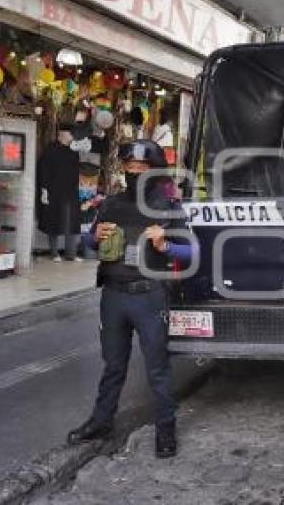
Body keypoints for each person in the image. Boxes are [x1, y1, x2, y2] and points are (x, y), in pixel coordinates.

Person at [66, 140, 195, 459]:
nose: (134, 173)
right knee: (112, 365)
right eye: (130, 168)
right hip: (112, 296)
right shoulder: (110, 204)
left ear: (154, 171)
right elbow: (90, 243)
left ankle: (166, 429)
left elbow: (193, 253)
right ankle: (101, 421)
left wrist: (166, 246)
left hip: (149, 297)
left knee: (157, 369)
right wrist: (92, 238)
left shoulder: (169, 207)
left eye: (141, 169)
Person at [37, 124, 81, 262]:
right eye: (70, 134)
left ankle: (71, 254)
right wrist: (44, 190)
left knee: (72, 222)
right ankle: (54, 253)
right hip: (54, 191)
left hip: (72, 191)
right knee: (54, 221)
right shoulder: (51, 149)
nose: (72, 137)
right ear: (62, 134)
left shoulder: (74, 150)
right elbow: (43, 170)